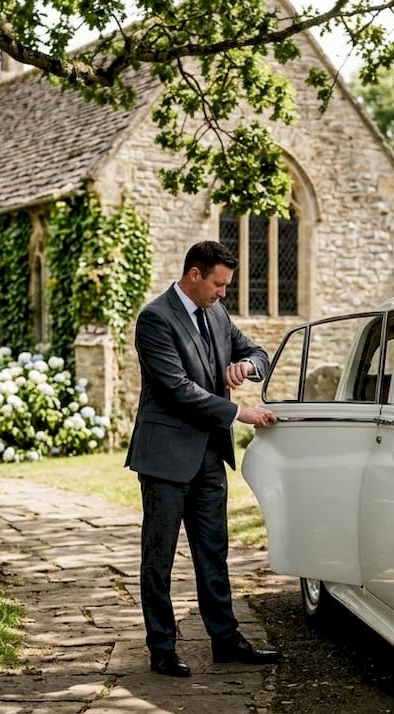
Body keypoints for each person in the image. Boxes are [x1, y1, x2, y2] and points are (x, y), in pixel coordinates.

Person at [125, 240, 280, 678]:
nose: (223, 293)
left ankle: (226, 642)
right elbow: (177, 389)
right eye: (219, 283)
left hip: (210, 458)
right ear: (195, 274)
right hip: (165, 460)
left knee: (213, 554)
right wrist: (238, 412)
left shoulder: (216, 312)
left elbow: (259, 353)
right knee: (159, 559)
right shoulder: (155, 319)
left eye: (226, 286)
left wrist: (246, 368)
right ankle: (162, 649)